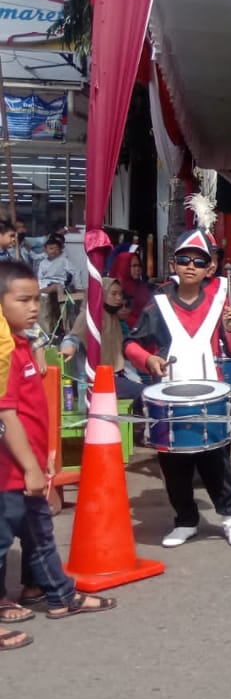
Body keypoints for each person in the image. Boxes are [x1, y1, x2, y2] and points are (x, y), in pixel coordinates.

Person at [123, 194, 231, 547]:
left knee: (217, 462)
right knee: (174, 465)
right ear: (174, 263)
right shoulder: (160, 303)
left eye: (199, 261)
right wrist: (148, 360)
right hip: (171, 398)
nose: (191, 266)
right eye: (184, 260)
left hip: (211, 396)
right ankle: (185, 519)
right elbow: (131, 344)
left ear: (210, 267)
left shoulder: (224, 297)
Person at [0, 262, 117, 648]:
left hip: (27, 466)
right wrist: (31, 467)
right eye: (23, 300)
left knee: (39, 534)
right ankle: (51, 595)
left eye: (36, 299)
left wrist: (43, 458)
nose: (34, 307)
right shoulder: (6, 356)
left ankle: (54, 593)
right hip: (10, 472)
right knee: (6, 540)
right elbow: (7, 415)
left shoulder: (22, 346)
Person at [59, 276, 143, 401]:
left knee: (144, 389)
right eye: (113, 294)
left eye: (120, 294)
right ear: (100, 294)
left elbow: (118, 355)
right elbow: (73, 337)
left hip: (112, 376)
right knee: (144, 393)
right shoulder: (89, 317)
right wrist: (69, 346)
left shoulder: (112, 318)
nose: (119, 298)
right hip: (94, 380)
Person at [36, 234, 69, 337]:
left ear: (61, 250)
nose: (54, 251)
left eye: (56, 248)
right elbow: (40, 277)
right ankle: (48, 330)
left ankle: (63, 325)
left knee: (57, 288)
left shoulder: (64, 261)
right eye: (51, 248)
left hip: (59, 285)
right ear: (45, 250)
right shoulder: (43, 263)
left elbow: (71, 275)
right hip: (45, 285)